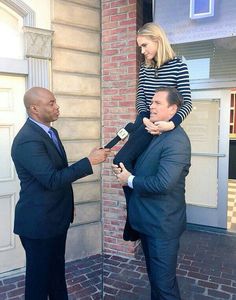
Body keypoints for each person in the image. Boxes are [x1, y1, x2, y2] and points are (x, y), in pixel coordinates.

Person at [11, 87, 110, 300]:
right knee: (38, 284)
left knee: (56, 275)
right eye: (51, 103)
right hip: (38, 225)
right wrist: (89, 161)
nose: (57, 107)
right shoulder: (28, 140)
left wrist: (69, 205)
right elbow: (52, 180)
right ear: (35, 109)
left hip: (56, 218)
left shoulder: (50, 132)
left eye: (55, 102)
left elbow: (60, 172)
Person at [113, 22, 192, 241]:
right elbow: (140, 100)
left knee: (146, 171)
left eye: (145, 45)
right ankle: (134, 218)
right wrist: (145, 118)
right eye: (140, 47)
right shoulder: (145, 68)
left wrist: (171, 124)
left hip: (166, 126)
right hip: (144, 123)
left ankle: (141, 219)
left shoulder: (178, 66)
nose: (142, 51)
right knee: (120, 160)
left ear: (158, 40)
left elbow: (186, 103)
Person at [114, 87, 191, 300]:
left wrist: (129, 179)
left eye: (157, 103)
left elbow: (164, 183)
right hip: (148, 222)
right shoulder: (155, 133)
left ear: (173, 109)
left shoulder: (177, 140)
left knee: (164, 289)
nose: (151, 106)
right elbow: (146, 167)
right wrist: (126, 171)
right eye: (152, 102)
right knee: (158, 284)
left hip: (162, 227)